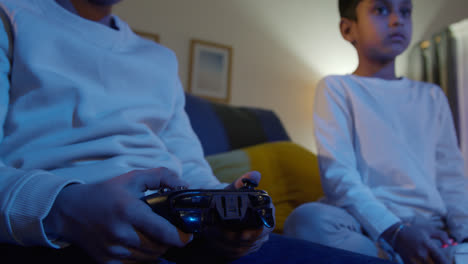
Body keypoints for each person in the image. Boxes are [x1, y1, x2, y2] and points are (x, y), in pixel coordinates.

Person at [0, 0, 393, 264]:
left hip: (182, 237)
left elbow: (191, 167)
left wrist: (222, 206)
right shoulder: (13, 15)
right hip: (58, 234)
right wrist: (65, 209)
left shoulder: (157, 59)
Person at [283, 0, 468, 263]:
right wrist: (395, 231)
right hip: (367, 226)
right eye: (381, 10)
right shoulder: (337, 88)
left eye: (405, 11)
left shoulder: (431, 96)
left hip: (430, 225)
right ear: (348, 30)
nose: (397, 20)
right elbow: (339, 178)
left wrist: (464, 235)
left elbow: (452, 180)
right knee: (307, 220)